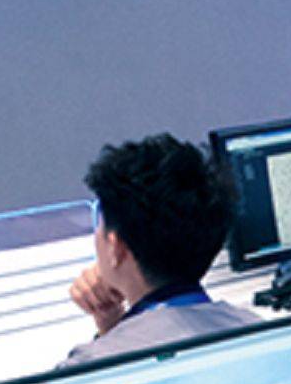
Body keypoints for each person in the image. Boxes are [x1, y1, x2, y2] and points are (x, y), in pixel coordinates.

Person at [59, 133, 258, 367]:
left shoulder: (87, 365)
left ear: (116, 248)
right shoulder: (253, 328)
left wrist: (108, 340)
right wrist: (112, 325)